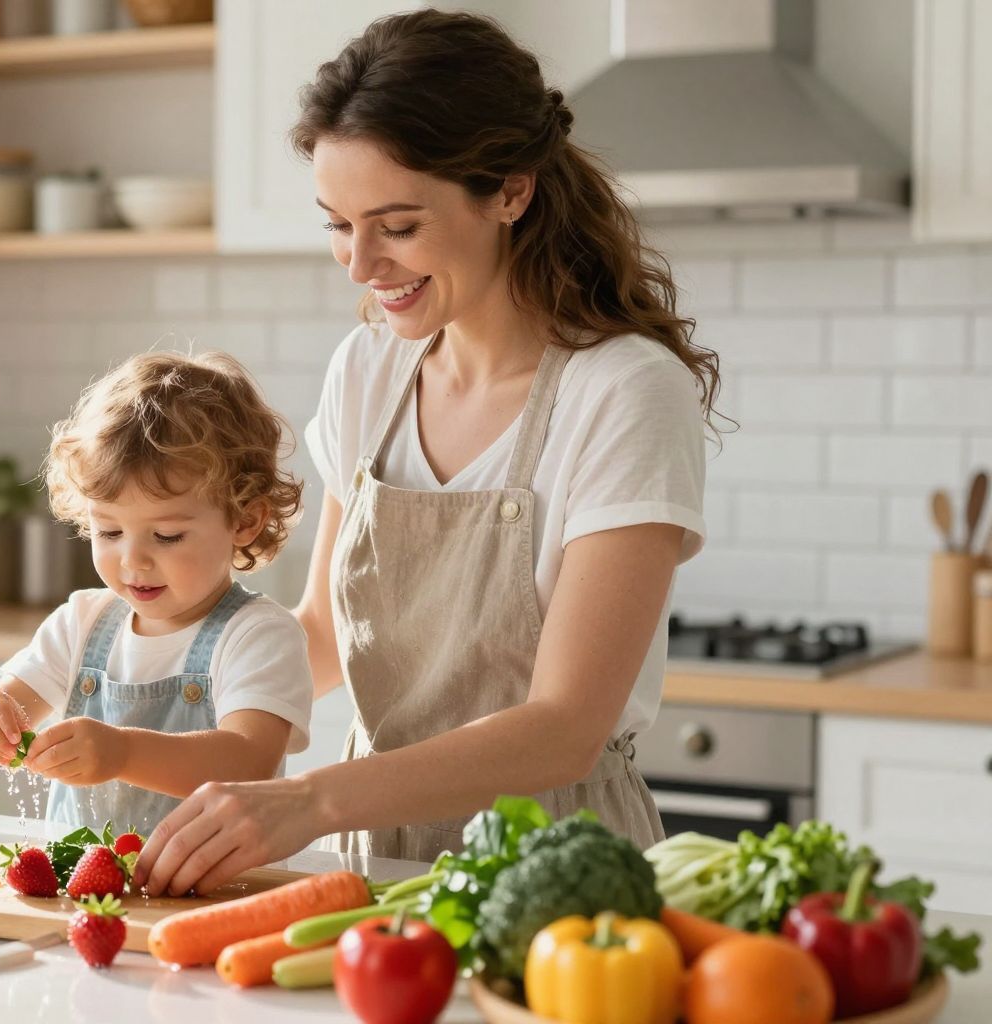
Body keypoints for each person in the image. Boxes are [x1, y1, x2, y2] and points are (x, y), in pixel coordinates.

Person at [133, 9, 718, 896]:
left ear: (511, 192)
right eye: (338, 224)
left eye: (398, 226)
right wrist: (127, 695)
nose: (362, 264)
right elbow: (323, 637)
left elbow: (566, 725)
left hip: (554, 868)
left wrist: (310, 802)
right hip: (375, 856)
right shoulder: (369, 368)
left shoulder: (624, 391)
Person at [0, 351, 314, 836]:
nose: (133, 561)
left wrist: (122, 753)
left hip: (218, 899)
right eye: (110, 533)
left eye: (166, 536)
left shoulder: (259, 635)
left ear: (245, 520)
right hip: (86, 898)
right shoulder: (81, 622)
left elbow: (247, 762)